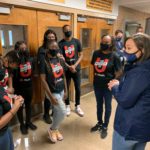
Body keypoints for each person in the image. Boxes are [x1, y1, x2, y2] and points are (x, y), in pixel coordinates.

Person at [108, 33, 150, 150]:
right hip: (144, 127)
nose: (125, 51)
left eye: (129, 48)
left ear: (142, 50)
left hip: (129, 127)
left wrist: (115, 87)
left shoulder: (139, 72)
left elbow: (125, 100)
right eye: (125, 48)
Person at [91, 35, 122, 139]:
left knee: (107, 106)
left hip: (108, 87)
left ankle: (105, 126)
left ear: (111, 44)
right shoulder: (96, 53)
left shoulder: (115, 56)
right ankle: (99, 123)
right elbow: (94, 67)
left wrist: (114, 81)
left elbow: (119, 71)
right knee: (99, 105)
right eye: (102, 42)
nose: (103, 44)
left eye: (106, 43)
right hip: (97, 85)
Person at [40, 41, 67, 143]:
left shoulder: (60, 59)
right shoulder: (44, 61)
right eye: (52, 47)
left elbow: (63, 76)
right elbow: (42, 80)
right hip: (52, 91)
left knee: (57, 112)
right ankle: (52, 129)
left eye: (56, 47)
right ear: (47, 48)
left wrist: (66, 91)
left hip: (61, 89)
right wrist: (50, 97)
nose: (55, 48)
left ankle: (55, 130)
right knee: (63, 112)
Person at [59, 24, 84, 117]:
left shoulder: (76, 41)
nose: (68, 31)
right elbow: (61, 58)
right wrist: (69, 66)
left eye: (69, 30)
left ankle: (78, 106)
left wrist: (74, 65)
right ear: (63, 32)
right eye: (66, 30)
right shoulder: (60, 44)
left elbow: (81, 54)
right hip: (66, 70)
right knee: (66, 88)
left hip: (76, 69)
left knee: (78, 88)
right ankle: (67, 105)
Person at [0, 55, 24, 150]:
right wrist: (15, 108)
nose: (3, 70)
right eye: (1, 67)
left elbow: (3, 95)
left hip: (6, 129)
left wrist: (13, 99)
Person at [13, 41, 37, 134]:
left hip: (29, 86)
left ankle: (28, 122)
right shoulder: (14, 61)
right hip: (19, 87)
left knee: (28, 105)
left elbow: (33, 72)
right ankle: (22, 125)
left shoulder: (30, 59)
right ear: (17, 50)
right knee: (19, 106)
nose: (24, 50)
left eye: (25, 48)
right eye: (22, 49)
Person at [37, 29, 57, 124]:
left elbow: (58, 58)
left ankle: (54, 111)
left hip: (57, 74)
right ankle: (46, 114)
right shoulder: (41, 49)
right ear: (46, 38)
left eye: (52, 37)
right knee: (48, 96)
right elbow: (41, 63)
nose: (51, 39)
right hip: (47, 75)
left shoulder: (57, 47)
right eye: (49, 37)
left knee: (56, 94)